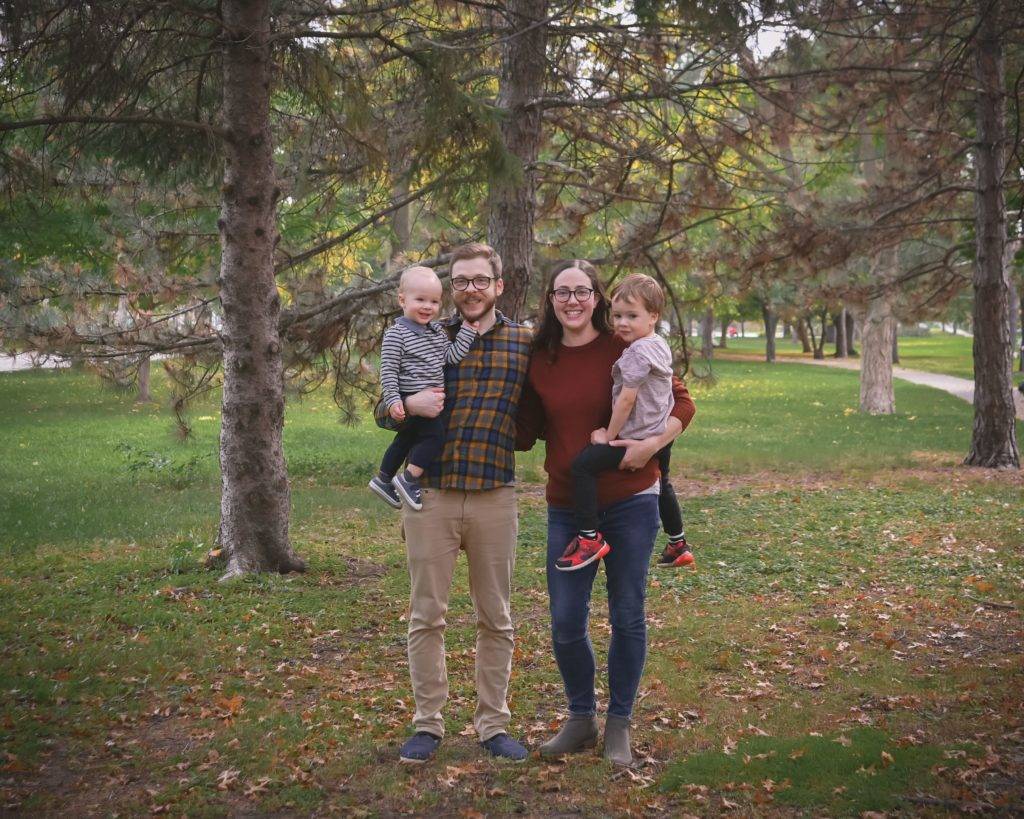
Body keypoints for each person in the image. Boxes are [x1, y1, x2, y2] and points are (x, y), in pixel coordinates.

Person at [516, 260, 696, 767]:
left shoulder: (626, 341)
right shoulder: (540, 359)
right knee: (566, 621)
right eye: (560, 292)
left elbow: (683, 402)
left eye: (581, 291)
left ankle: (619, 725)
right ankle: (580, 720)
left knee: (627, 615)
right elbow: (524, 427)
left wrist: (652, 445)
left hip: (631, 500)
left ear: (596, 297)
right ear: (550, 300)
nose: (571, 300)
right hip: (567, 504)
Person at [376, 244, 533, 764]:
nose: (470, 289)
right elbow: (385, 407)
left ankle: (493, 726)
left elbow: (549, 407)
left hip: (495, 496)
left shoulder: (523, 343)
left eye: (480, 280)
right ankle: (428, 725)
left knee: (497, 617)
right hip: (432, 495)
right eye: (461, 281)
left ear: (498, 286)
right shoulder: (428, 336)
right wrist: (405, 408)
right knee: (427, 616)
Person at [556, 273, 694, 572]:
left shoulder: (636, 352)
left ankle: (589, 538)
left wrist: (609, 433)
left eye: (632, 316)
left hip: (636, 436)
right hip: (659, 432)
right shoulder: (658, 344)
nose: (622, 323)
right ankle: (678, 542)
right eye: (617, 315)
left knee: (583, 466)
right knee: (664, 482)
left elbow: (627, 400)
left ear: (653, 316)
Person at [368, 266, 478, 511]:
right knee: (435, 436)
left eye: (434, 301)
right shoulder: (397, 335)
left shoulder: (437, 333)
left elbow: (451, 357)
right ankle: (408, 479)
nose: (428, 306)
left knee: (406, 439)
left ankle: (384, 479)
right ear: (402, 300)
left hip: (427, 401)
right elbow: (388, 371)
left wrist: (467, 333)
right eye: (420, 300)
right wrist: (395, 401)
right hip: (411, 397)